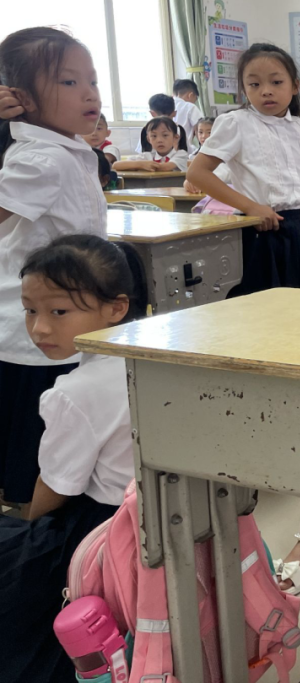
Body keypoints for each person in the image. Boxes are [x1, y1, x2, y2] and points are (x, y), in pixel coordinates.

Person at [0, 234, 145, 683]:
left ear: (116, 308)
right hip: (157, 516)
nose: (40, 329)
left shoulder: (74, 393)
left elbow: (54, 491)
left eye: (58, 312)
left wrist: (29, 535)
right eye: (30, 310)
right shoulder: (159, 356)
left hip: (100, 531)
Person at [0, 27, 108, 505]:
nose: (88, 93)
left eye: (92, 80)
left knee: (58, 437)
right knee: (36, 448)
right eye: (68, 83)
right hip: (35, 334)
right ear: (20, 98)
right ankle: (31, 536)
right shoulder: (43, 158)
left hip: (62, 322)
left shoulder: (66, 152)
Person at [186, 43, 300, 295]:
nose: (266, 91)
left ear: (294, 86)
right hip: (262, 230)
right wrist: (251, 207)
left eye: (276, 82)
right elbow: (197, 173)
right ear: (244, 89)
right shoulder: (236, 123)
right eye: (254, 85)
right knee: (266, 310)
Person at [113, 117, 188, 172]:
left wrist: (142, 165)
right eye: (154, 136)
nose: (159, 140)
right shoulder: (146, 156)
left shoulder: (181, 154)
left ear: (175, 138)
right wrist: (141, 164)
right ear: (149, 139)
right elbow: (116, 165)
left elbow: (166, 167)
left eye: (165, 135)